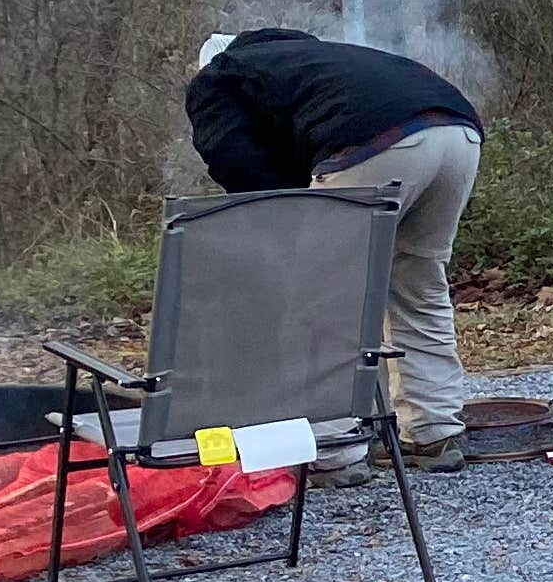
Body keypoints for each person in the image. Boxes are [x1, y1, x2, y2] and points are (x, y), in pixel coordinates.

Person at [183, 27, 486, 470]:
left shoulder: (220, 75)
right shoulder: (315, 61)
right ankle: (433, 430)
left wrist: (288, 216)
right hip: (458, 134)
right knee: (418, 287)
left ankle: (334, 446)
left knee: (324, 301)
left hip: (373, 144)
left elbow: (232, 156)